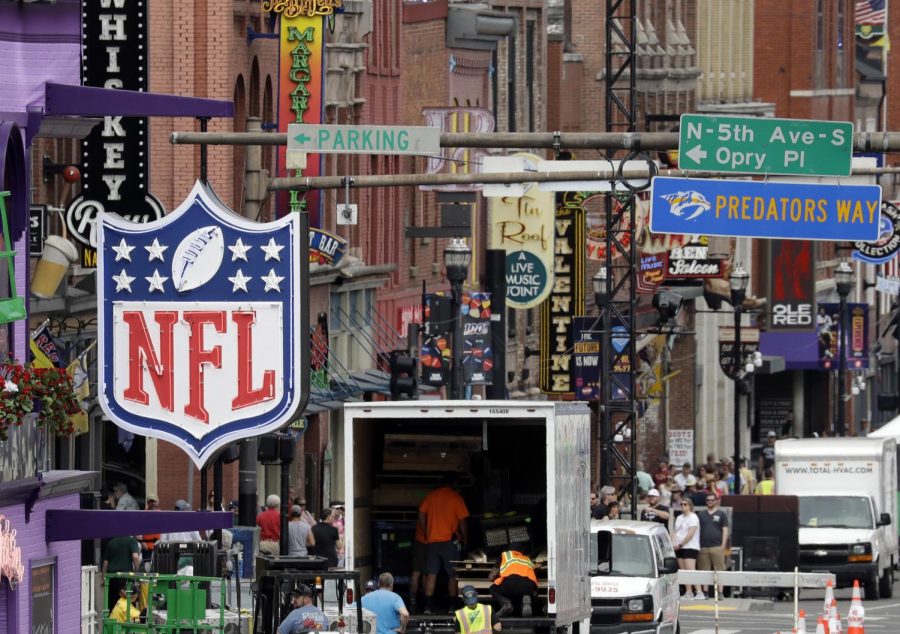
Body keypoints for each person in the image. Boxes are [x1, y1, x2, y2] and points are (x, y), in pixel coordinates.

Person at [419, 475, 470, 614]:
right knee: (452, 575)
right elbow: (462, 521)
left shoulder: (431, 496)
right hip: (450, 543)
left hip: (432, 543)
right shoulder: (456, 497)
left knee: (431, 575)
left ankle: (427, 607)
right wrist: (465, 538)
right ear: (453, 484)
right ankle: (452, 607)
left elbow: (421, 513)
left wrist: (426, 531)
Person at [488, 544, 537, 618]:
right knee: (521, 594)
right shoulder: (527, 559)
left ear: (509, 550)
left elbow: (492, 576)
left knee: (492, 588)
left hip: (510, 584)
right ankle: (525, 602)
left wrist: (495, 577)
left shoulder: (505, 555)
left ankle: (506, 603)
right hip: (529, 587)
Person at [697, 493, 729, 598]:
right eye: (708, 500)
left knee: (719, 570)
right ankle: (705, 592)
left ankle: (720, 592)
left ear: (716, 501)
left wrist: (723, 545)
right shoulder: (701, 514)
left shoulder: (722, 514)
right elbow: (697, 530)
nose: (710, 502)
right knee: (704, 570)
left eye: (712, 500)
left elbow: (725, 529)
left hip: (717, 546)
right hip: (703, 546)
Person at [673, 498, 702, 600]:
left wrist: (681, 544)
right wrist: (674, 543)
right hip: (679, 546)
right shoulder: (679, 517)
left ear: (690, 506)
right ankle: (688, 591)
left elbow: (691, 533)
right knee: (683, 570)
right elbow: (675, 531)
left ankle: (699, 592)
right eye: (681, 504)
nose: (683, 506)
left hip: (690, 546)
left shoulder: (693, 517)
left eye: (685, 504)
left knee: (691, 569)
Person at [102, 534, 141, 611]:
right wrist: (137, 573)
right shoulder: (132, 541)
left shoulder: (111, 542)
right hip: (126, 578)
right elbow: (135, 557)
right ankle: (126, 622)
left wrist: (103, 578)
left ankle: (113, 621)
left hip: (112, 578)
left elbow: (105, 563)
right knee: (128, 606)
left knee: (113, 605)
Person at [409, 511, 427, 610]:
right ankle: (426, 602)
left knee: (416, 573)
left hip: (418, 541)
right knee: (426, 574)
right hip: (428, 542)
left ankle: (413, 601)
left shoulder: (425, 508)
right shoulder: (434, 512)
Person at [138, 494, 161, 563]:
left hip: (159, 548)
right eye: (150, 502)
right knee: (147, 569)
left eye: (153, 501)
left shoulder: (161, 514)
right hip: (147, 548)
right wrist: (142, 543)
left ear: (157, 502)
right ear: (147, 503)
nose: (152, 504)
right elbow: (137, 530)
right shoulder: (143, 514)